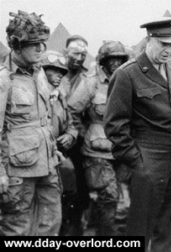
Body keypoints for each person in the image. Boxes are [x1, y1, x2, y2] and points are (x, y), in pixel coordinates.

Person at [104, 15, 171, 252]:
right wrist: (138, 162)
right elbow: (114, 125)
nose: (168, 50)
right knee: (140, 226)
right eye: (163, 44)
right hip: (147, 155)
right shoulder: (127, 74)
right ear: (149, 39)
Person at [0, 10, 61, 235]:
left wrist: (52, 148)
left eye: (42, 44)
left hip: (47, 165)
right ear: (16, 45)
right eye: (33, 44)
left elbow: (43, 119)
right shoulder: (3, 78)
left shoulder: (39, 74)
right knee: (17, 229)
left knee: (51, 224)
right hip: (17, 171)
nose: (40, 49)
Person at [68, 40, 129, 235]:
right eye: (111, 59)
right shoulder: (91, 82)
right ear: (103, 61)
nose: (115, 63)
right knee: (108, 196)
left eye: (119, 59)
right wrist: (83, 133)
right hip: (97, 151)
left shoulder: (127, 81)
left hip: (123, 148)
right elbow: (72, 110)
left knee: (122, 200)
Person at [41, 50, 78, 235]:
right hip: (39, 155)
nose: (59, 76)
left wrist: (71, 135)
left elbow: (72, 124)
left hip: (57, 156)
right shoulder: (39, 96)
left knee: (68, 192)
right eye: (54, 71)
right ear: (42, 71)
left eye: (61, 73)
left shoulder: (60, 97)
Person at [60, 35, 90, 235]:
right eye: (75, 53)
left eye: (83, 54)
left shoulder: (89, 78)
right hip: (55, 137)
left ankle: (75, 224)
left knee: (80, 184)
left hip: (79, 140)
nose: (79, 58)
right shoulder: (51, 72)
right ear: (65, 53)